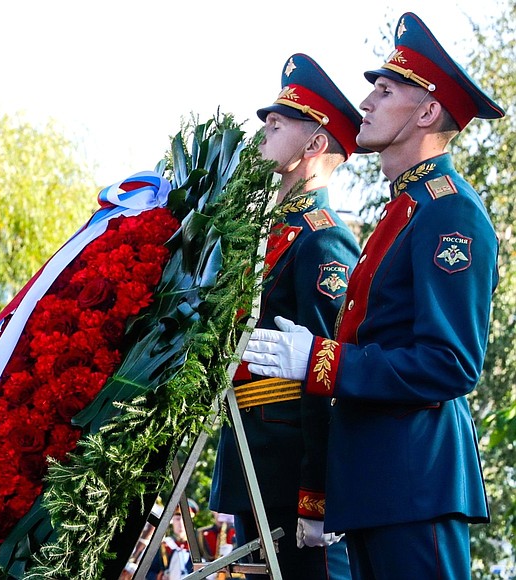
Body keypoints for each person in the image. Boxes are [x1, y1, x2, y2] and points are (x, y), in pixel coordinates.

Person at [242, 13, 504, 579]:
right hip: (376, 484)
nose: (366, 101)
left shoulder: (448, 211)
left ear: (428, 112)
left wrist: (317, 360)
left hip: (415, 481)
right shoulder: (403, 211)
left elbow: (449, 363)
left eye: (385, 91)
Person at [209, 53, 362, 579]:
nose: (264, 129)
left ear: (315, 145)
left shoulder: (324, 239)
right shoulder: (266, 232)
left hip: (291, 461)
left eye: (280, 123)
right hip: (252, 449)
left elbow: (326, 372)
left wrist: (316, 495)